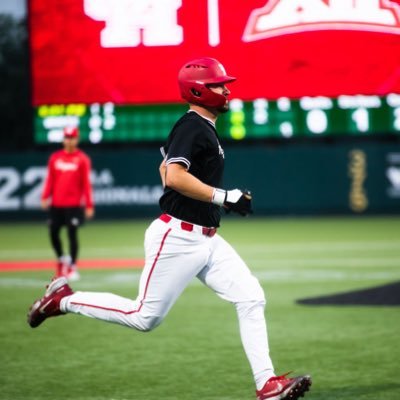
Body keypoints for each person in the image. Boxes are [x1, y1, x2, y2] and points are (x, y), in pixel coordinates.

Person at [28, 58, 311, 400]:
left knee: (251, 296)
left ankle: (267, 385)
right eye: (219, 84)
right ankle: (65, 300)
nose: (227, 90)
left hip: (207, 239)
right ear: (199, 90)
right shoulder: (193, 126)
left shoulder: (201, 127)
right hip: (177, 237)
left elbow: (164, 170)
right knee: (144, 317)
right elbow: (174, 176)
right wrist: (224, 197)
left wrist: (220, 199)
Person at [41, 126, 95, 281]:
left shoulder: (82, 159)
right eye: (67, 137)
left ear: (76, 139)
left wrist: (89, 205)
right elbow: (50, 179)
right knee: (53, 232)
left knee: (72, 234)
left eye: (72, 138)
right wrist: (45, 196)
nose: (69, 141)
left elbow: (86, 184)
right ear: (63, 139)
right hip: (57, 204)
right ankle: (61, 259)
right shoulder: (55, 158)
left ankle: (72, 265)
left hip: (74, 205)